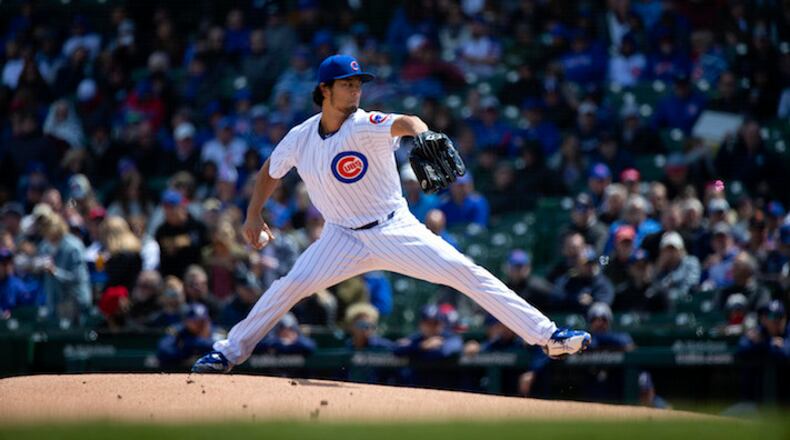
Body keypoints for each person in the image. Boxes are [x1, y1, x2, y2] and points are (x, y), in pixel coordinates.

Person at [192, 54, 591, 373]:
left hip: (394, 229)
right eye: (347, 84)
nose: (355, 90)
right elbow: (268, 171)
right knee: (287, 286)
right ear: (324, 89)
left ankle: (548, 336)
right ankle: (228, 353)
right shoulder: (300, 137)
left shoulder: (365, 124)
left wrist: (423, 134)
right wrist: (252, 214)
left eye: (358, 83)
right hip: (340, 237)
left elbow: (405, 121)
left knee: (465, 272)